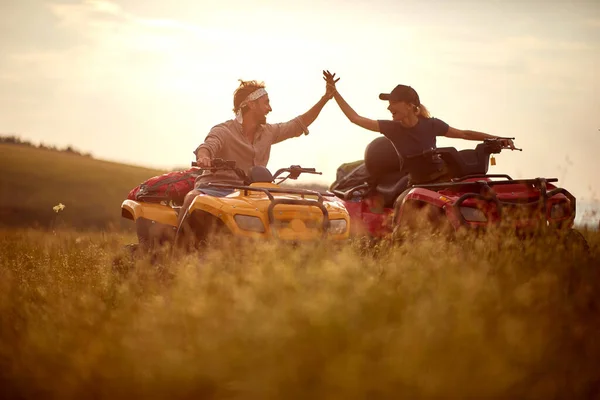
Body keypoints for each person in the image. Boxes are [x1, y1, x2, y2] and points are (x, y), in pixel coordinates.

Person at [176, 78, 335, 229]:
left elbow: (297, 125)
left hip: (253, 194)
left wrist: (325, 99)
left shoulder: (269, 132)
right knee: (192, 197)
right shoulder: (223, 130)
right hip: (216, 189)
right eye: (266, 103)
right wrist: (204, 157)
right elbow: (208, 145)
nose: (270, 108)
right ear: (251, 104)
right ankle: (178, 250)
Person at [322, 70, 515, 184]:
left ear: (409, 105)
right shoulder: (392, 128)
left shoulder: (432, 124)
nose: (389, 107)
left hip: (440, 180)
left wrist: (496, 138)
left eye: (394, 103)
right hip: (414, 183)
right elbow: (355, 118)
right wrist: (335, 93)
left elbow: (464, 134)